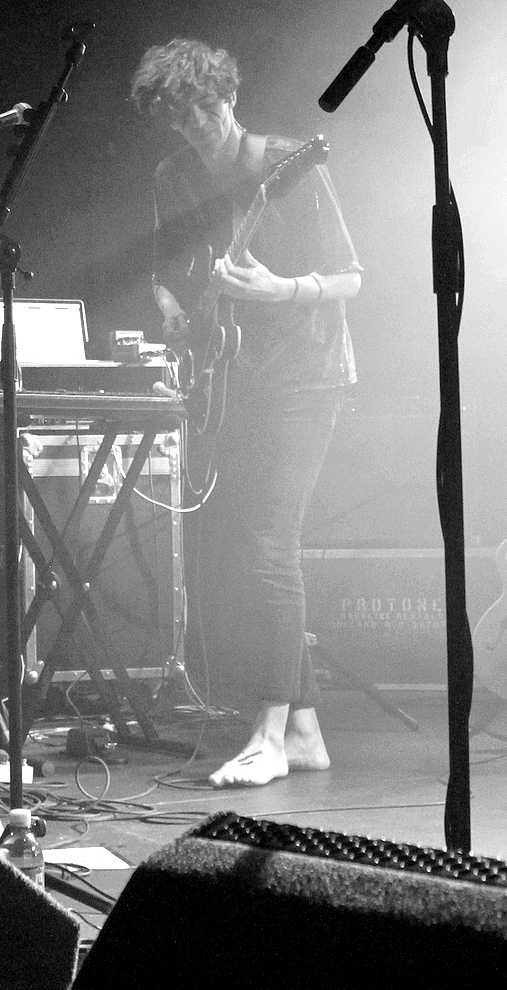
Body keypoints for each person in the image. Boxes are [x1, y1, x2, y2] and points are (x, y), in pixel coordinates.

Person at [130, 39, 362, 789]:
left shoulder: (288, 163)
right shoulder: (174, 176)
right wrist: (171, 307)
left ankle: (268, 734)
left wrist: (279, 289)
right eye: (179, 115)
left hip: (307, 372)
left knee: (270, 541)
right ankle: (306, 732)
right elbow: (166, 267)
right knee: (245, 544)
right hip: (234, 376)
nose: (196, 124)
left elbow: (350, 276)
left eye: (206, 106)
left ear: (229, 95)